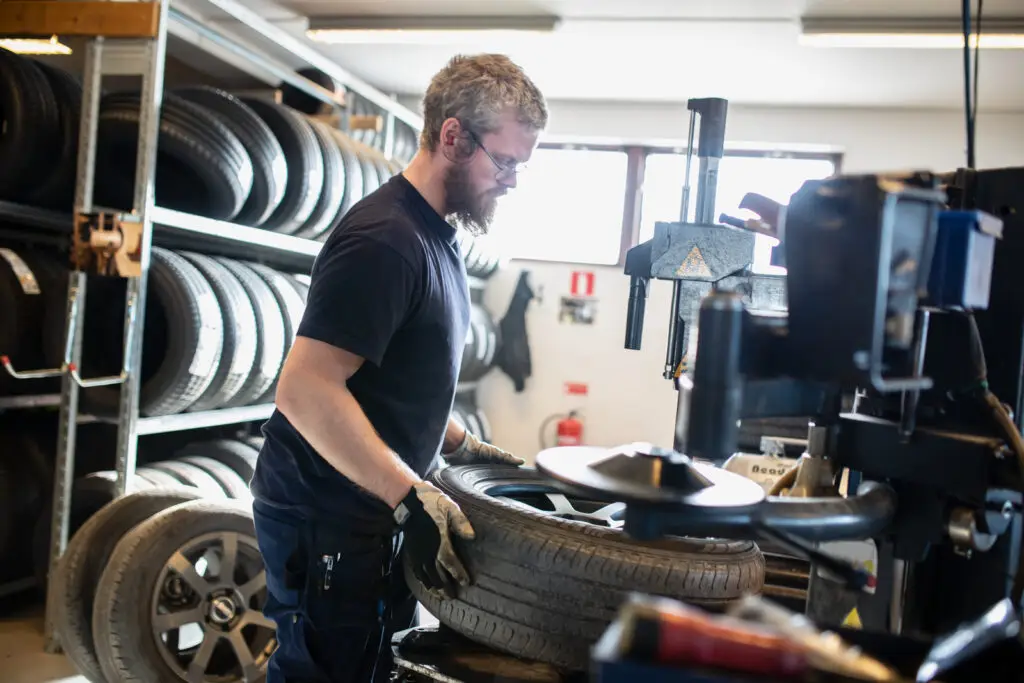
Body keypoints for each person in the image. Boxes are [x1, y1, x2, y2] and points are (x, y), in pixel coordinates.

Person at [248, 53, 548, 683]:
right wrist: (410, 495)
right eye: (506, 162)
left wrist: (461, 443)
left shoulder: (438, 238)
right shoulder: (385, 240)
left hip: (372, 509)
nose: (514, 181)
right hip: (326, 512)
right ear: (453, 137)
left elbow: (392, 380)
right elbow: (305, 388)